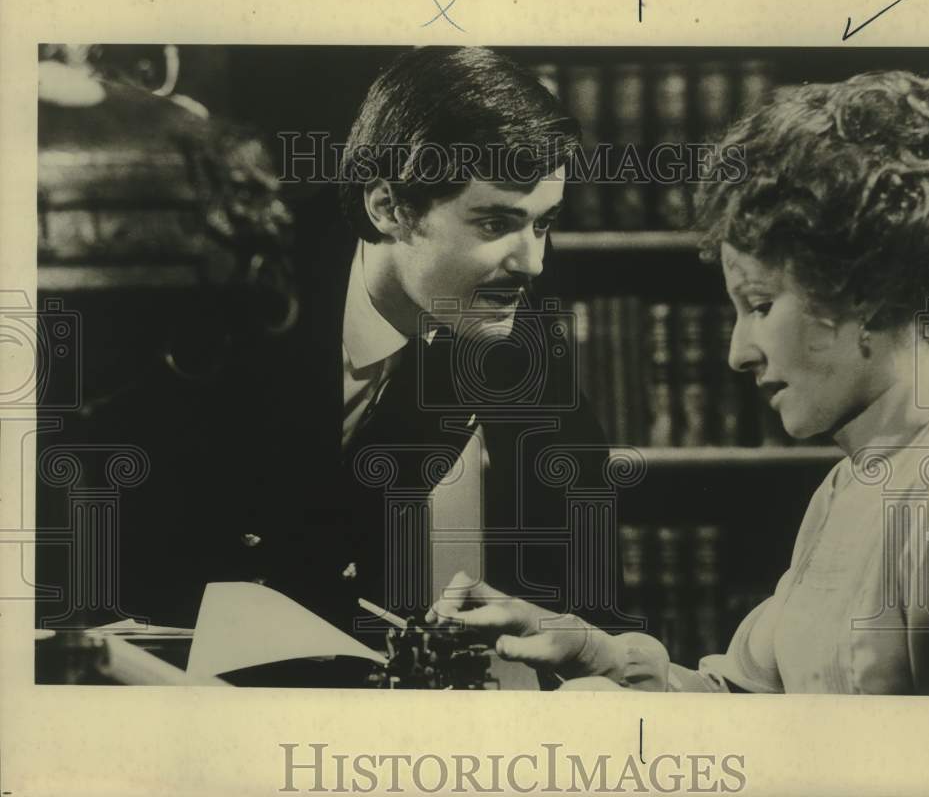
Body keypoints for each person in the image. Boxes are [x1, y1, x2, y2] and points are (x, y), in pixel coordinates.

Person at [50, 46, 627, 667]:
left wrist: (552, 623)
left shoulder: (502, 321)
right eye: (494, 224)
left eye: (543, 224)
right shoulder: (237, 280)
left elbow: (583, 554)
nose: (532, 262)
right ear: (388, 208)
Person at [428, 70, 929, 695]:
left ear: (871, 293)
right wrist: (593, 653)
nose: (740, 353)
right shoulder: (850, 485)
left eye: (761, 305)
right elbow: (752, 699)